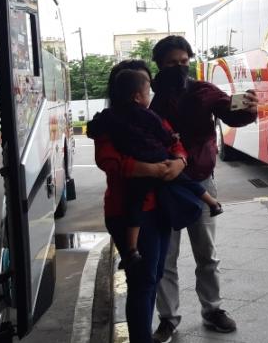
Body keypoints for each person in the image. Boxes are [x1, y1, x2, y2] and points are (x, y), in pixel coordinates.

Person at [150, 36, 259, 343]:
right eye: (172, 63)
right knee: (165, 257)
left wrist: (249, 108)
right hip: (163, 184)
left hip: (200, 180)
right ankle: (168, 319)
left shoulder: (203, 90)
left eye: (184, 62)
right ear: (159, 64)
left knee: (206, 254)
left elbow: (231, 112)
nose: (179, 67)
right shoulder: (149, 95)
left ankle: (212, 310)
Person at [87, 60, 186, 343]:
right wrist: (153, 169)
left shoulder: (152, 118)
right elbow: (108, 160)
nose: (148, 90)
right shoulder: (109, 121)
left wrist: (179, 162)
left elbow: (176, 143)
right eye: (142, 85)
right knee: (142, 281)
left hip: (161, 208)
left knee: (153, 275)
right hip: (127, 211)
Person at [106, 68, 224, 267]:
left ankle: (131, 249)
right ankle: (213, 203)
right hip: (161, 163)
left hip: (148, 174)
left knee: (136, 206)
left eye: (183, 62)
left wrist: (179, 159)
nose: (149, 96)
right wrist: (171, 142)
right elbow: (163, 133)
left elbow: (97, 130)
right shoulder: (150, 114)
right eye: (146, 93)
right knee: (188, 184)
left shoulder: (112, 118)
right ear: (137, 96)